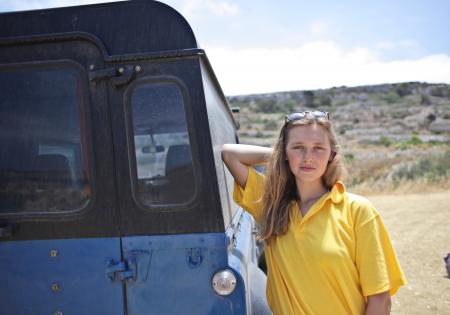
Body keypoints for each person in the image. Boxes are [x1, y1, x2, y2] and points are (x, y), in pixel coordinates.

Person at [221, 111, 406, 315]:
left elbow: (380, 299)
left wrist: (294, 153)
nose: (308, 157)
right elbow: (230, 154)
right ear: (284, 153)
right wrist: (283, 156)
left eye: (318, 148)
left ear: (331, 155)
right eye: (298, 147)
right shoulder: (271, 205)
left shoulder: (357, 210)